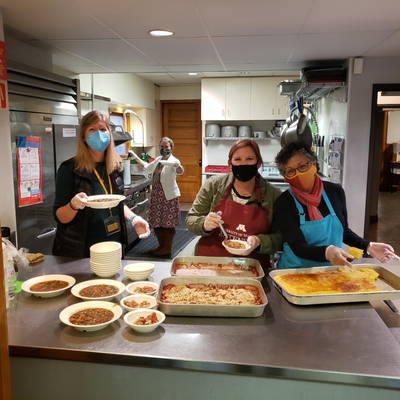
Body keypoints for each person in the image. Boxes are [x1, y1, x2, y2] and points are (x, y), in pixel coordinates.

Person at [274, 140, 400, 269]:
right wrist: (327, 252)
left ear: (314, 164)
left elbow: (343, 231)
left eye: (303, 166)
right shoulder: (284, 203)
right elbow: (297, 246)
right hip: (294, 272)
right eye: (290, 171)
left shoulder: (335, 192)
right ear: (285, 177)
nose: (298, 174)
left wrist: (368, 246)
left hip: (331, 270)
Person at [52, 110, 150, 258]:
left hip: (114, 246)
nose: (99, 134)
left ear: (109, 134)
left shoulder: (116, 167)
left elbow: (117, 203)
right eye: (92, 129)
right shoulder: (70, 169)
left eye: (103, 129)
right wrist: (74, 205)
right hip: (80, 251)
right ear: (84, 137)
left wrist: (134, 219)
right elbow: (60, 216)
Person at [185, 139, 283, 268]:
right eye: (237, 159)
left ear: (258, 163)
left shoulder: (273, 195)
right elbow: (191, 219)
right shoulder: (213, 186)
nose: (243, 164)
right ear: (230, 164)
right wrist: (204, 224)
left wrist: (259, 241)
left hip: (251, 266)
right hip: (210, 263)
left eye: (249, 159)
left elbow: (280, 237)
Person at [130, 137, 184, 257]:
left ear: (171, 148)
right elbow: (146, 167)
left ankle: (167, 248)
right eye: (162, 147)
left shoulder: (174, 161)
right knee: (157, 222)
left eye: (167, 147)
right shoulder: (158, 160)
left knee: (168, 223)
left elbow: (180, 171)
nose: (164, 149)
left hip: (168, 197)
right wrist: (135, 157)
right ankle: (161, 246)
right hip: (157, 196)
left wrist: (177, 165)